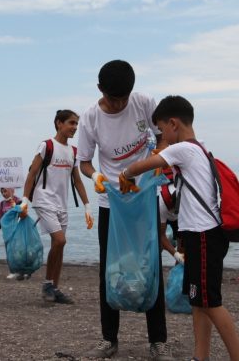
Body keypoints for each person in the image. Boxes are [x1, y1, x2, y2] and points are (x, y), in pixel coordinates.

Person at [122, 95, 239, 361]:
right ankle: (200, 357)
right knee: (198, 301)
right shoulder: (199, 149)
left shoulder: (184, 150)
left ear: (173, 123)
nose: (161, 136)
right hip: (200, 235)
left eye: (162, 129)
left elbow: (142, 166)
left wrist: (125, 175)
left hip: (203, 235)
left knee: (210, 302)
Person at [76, 60, 173, 360]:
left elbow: (163, 137)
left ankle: (158, 341)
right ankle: (109, 339)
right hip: (112, 202)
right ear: (100, 90)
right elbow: (84, 162)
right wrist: (96, 177)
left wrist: (156, 155)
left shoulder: (143, 103)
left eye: (123, 98)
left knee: (150, 264)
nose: (119, 104)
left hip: (144, 198)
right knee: (111, 268)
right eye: (113, 98)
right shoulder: (90, 119)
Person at [20, 110, 94, 304]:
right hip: (43, 200)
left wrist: (87, 205)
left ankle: (54, 287)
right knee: (60, 241)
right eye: (71, 123)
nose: (75, 128)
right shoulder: (47, 146)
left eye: (77, 124)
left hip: (62, 203)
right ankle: (47, 284)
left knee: (59, 246)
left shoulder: (74, 151)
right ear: (58, 123)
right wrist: (25, 201)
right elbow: (32, 173)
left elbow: (77, 180)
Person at [0, 187, 24, 279]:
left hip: (18, 230)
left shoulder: (19, 201)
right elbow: (1, 219)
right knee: (9, 251)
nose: (3, 193)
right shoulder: (2, 204)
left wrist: (16, 206)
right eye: (1, 192)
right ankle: (13, 271)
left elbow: (23, 214)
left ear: (12, 190)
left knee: (19, 251)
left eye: (5, 191)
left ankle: (22, 271)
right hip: (7, 232)